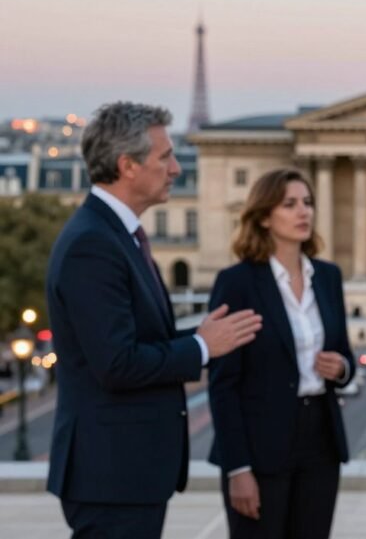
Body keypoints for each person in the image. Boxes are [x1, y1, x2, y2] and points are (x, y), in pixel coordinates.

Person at [45, 101, 262, 538]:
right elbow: (117, 364)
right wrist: (202, 347)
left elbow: (140, 340)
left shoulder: (114, 236)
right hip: (112, 474)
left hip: (125, 471)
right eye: (165, 157)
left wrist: (202, 336)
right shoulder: (95, 244)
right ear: (127, 165)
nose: (176, 169)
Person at [207, 169, 356, 539]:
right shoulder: (237, 283)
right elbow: (223, 384)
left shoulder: (328, 276)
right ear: (263, 216)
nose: (303, 212)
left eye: (307, 203)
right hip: (260, 446)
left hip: (320, 440)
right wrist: (237, 468)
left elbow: (346, 358)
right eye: (289, 204)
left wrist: (341, 368)